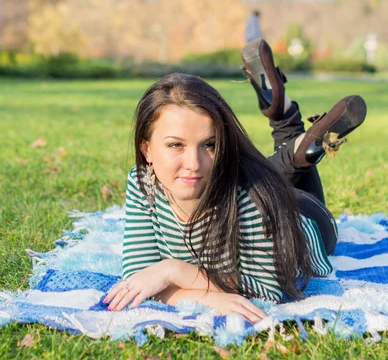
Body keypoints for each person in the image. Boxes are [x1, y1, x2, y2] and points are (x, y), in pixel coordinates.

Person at [103, 39, 367, 323]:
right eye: (175, 145)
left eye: (210, 144)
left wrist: (173, 271)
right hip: (259, 187)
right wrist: (208, 296)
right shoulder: (144, 182)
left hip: (305, 218)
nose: (193, 163)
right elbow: (138, 281)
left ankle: (295, 141)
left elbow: (267, 290)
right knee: (256, 175)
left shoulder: (251, 197)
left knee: (256, 181)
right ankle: (291, 129)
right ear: (147, 150)